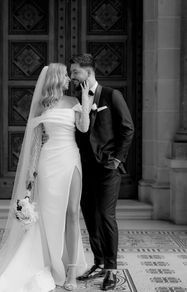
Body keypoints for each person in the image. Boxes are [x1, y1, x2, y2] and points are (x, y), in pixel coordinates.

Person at [0, 63, 91, 291]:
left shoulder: (74, 102)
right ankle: (49, 261)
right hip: (48, 161)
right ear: (56, 78)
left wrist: (85, 99)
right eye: (65, 75)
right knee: (48, 215)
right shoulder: (41, 106)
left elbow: (84, 128)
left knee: (73, 212)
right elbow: (36, 141)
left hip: (70, 158)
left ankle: (71, 271)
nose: (69, 79)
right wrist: (31, 172)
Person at [69, 53, 134, 291]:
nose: (72, 77)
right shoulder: (76, 97)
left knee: (106, 216)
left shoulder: (111, 95)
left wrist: (117, 159)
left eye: (76, 72)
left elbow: (128, 129)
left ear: (89, 72)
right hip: (84, 167)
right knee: (90, 215)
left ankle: (111, 269)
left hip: (108, 167)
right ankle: (98, 262)